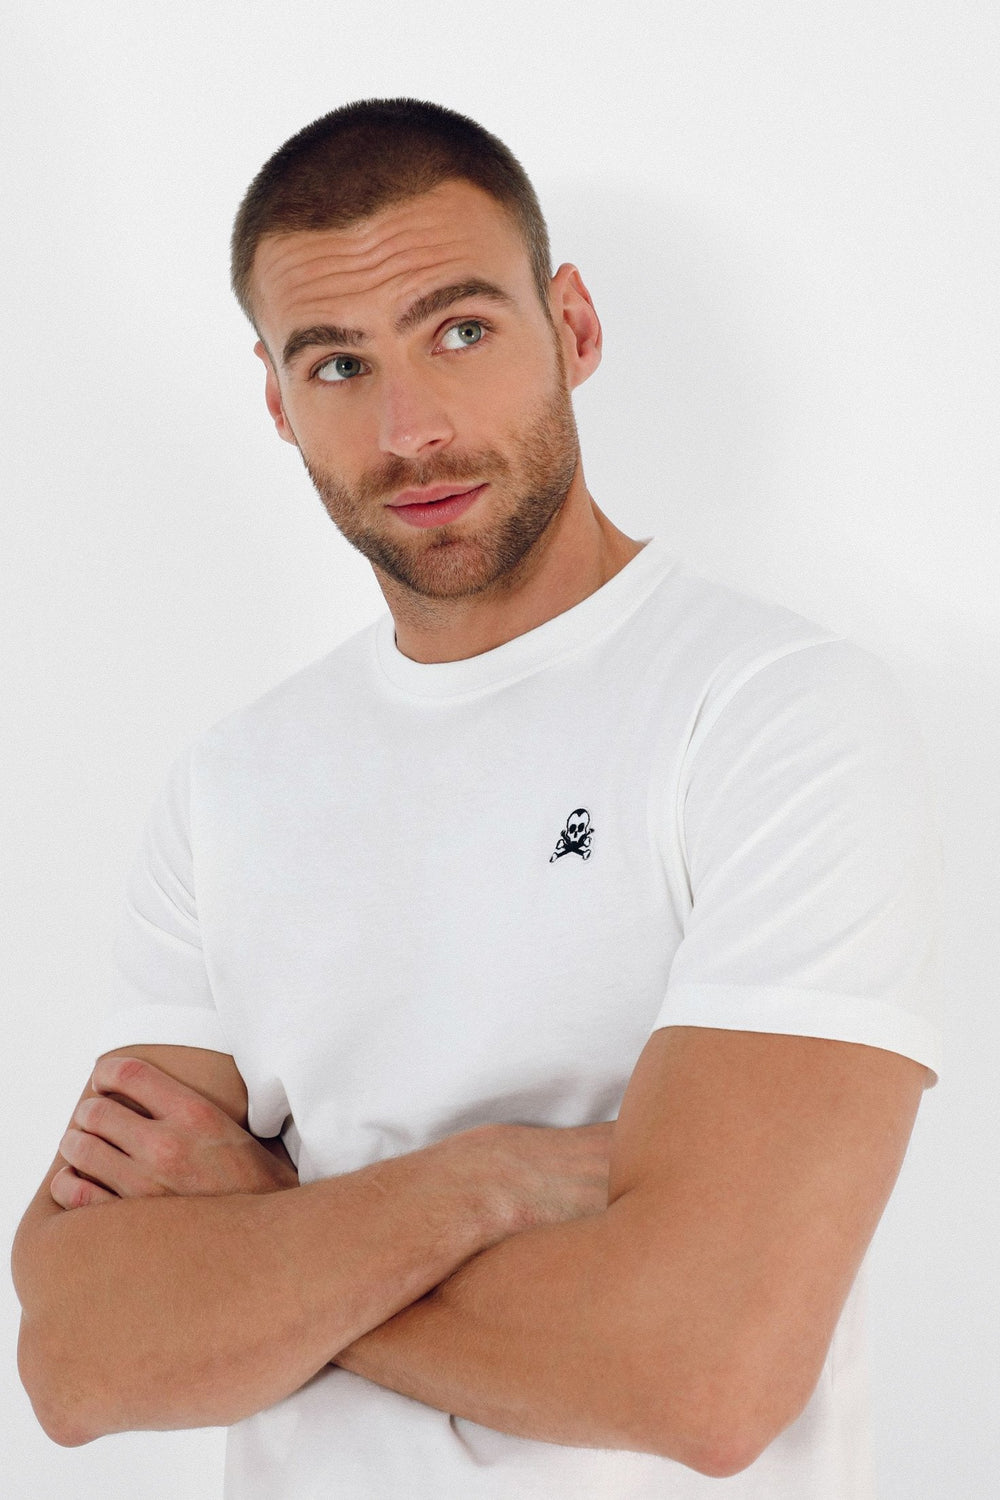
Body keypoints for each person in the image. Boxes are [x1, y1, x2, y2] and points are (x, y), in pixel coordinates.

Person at [13, 98, 942, 1498]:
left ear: (572, 325)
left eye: (458, 331)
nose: (411, 430)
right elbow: (81, 1359)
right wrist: (490, 1180)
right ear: (275, 400)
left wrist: (270, 1242)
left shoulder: (773, 714)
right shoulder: (231, 785)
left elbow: (703, 1377)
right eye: (337, 363)